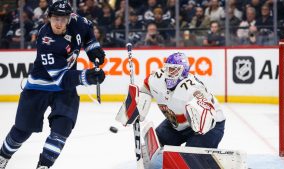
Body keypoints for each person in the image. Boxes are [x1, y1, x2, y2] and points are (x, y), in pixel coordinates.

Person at [0, 1, 106, 169]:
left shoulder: (77, 21)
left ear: (69, 18)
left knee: (62, 129)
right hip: (39, 88)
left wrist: (93, 47)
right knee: (22, 131)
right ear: (48, 17)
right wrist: (87, 76)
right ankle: (2, 157)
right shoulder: (46, 40)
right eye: (55, 19)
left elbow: (87, 30)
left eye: (63, 19)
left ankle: (43, 166)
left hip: (65, 91)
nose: (59, 23)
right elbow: (61, 78)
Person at [117, 52, 225, 168]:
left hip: (210, 127)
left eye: (174, 70)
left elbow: (208, 114)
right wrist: (135, 106)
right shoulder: (156, 79)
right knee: (150, 148)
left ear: (183, 71)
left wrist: (202, 116)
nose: (169, 73)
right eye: (168, 69)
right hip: (178, 124)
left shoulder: (193, 88)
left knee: (191, 160)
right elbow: (145, 89)